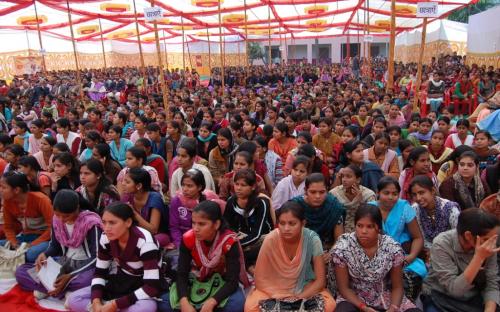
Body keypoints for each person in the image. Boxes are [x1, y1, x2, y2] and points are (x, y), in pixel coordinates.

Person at [67, 202, 161, 312]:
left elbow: (151, 287)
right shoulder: (106, 238)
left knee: (145, 309)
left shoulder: (145, 243)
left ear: (128, 222)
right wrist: (96, 301)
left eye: (112, 223)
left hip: (142, 285)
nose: (106, 228)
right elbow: (100, 273)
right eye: (104, 222)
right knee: (74, 299)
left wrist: (115, 305)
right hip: (121, 280)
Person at [244, 201, 336, 312]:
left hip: (305, 287)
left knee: (329, 305)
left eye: (292, 224)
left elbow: (320, 281)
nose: (286, 228)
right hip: (274, 288)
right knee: (251, 307)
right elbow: (260, 279)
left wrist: (299, 297)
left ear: (303, 223)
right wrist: (278, 296)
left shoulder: (312, 239)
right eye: (282, 223)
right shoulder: (271, 239)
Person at [158, 201, 248, 312]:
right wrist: (184, 301)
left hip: (221, 283)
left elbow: (232, 280)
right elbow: (182, 274)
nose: (195, 229)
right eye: (193, 223)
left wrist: (212, 302)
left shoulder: (229, 241)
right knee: (164, 302)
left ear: (216, 224)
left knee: (236, 305)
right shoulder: (188, 239)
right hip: (197, 279)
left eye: (201, 224)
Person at [330, 204, 421, 312]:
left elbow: (397, 287)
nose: (363, 231)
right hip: (354, 297)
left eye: (370, 226)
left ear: (378, 228)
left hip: (386, 297)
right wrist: (364, 308)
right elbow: (344, 288)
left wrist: (393, 308)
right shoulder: (343, 248)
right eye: (360, 226)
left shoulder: (392, 248)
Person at [15, 190, 101, 300]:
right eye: (57, 215)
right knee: (21, 272)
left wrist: (70, 276)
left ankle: (53, 288)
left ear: (77, 208)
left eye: (66, 216)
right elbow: (55, 246)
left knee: (88, 280)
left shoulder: (91, 223)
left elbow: (97, 257)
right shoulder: (56, 220)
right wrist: (45, 254)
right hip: (65, 262)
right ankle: (60, 290)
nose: (61, 219)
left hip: (86, 266)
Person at [422, 208, 500, 312]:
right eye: (486, 239)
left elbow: (492, 284)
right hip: (441, 295)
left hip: (473, 295)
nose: (491, 243)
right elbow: (454, 289)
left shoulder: (489, 245)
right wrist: (479, 258)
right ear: (468, 235)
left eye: (494, 238)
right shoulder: (441, 244)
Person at [369, 177, 427, 301]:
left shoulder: (404, 207)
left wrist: (410, 257)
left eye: (395, 194)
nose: (391, 197)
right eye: (386, 193)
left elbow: (418, 238)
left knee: (416, 272)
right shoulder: (370, 209)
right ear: (378, 193)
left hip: (400, 254)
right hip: (373, 253)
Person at [224, 169, 274, 269]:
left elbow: (257, 233)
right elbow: (226, 225)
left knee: (266, 244)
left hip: (262, 238)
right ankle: (248, 265)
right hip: (240, 236)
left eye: (243, 185)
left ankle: (248, 265)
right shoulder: (231, 201)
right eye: (236, 184)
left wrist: (237, 245)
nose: (238, 188)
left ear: (253, 187)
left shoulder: (261, 203)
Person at [0, 172, 53, 263]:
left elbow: (53, 228)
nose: (0, 190)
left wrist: (32, 245)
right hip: (25, 237)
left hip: (45, 238)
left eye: (3, 187)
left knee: (31, 254)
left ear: (16, 190)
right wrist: (14, 243)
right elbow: (8, 227)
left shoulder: (41, 200)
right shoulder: (7, 202)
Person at [169, 168, 226, 248]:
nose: (185, 189)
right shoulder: (177, 200)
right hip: (184, 240)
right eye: (183, 185)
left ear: (199, 187)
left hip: (206, 240)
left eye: (189, 186)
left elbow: (216, 227)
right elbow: (174, 227)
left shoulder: (210, 200)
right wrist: (180, 245)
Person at [409, 175, 460, 260]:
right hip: (426, 252)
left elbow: (458, 236)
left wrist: (438, 251)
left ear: (432, 191)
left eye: (421, 193)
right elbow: (420, 237)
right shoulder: (414, 209)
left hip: (451, 251)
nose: (418, 198)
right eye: (414, 194)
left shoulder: (450, 209)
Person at [292, 173, 345, 249]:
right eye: (313, 192)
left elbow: (339, 240)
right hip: (301, 251)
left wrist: (330, 254)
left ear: (327, 190)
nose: (317, 196)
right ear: (305, 191)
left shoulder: (334, 207)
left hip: (329, 251)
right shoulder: (296, 207)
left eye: (322, 192)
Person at [121, 167, 169, 247]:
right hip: (135, 233)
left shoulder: (154, 198)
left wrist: (133, 213)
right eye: (123, 180)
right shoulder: (127, 197)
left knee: (147, 243)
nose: (123, 183)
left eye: (127, 182)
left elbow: (154, 230)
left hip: (157, 235)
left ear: (139, 185)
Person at [330, 164, 376, 233]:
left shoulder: (368, 195)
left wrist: (361, 202)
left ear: (358, 180)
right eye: (343, 176)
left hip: (362, 232)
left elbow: (372, 218)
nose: (344, 180)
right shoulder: (334, 193)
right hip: (339, 232)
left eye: (348, 176)